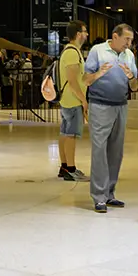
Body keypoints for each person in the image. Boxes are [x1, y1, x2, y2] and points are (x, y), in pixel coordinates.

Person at [84, 23, 138, 212]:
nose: (129, 44)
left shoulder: (129, 56)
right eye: (127, 39)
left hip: (121, 106)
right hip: (99, 105)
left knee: (116, 151)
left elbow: (135, 86)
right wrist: (99, 73)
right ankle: (98, 196)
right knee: (99, 150)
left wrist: (131, 77)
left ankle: (109, 193)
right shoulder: (97, 51)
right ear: (115, 36)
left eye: (131, 40)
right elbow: (85, 79)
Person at [57, 21, 89, 181]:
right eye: (85, 31)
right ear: (78, 34)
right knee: (71, 134)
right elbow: (72, 80)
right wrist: (83, 100)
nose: (87, 34)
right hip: (72, 100)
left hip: (68, 100)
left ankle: (64, 166)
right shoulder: (72, 53)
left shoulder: (70, 51)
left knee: (65, 133)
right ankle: (70, 168)